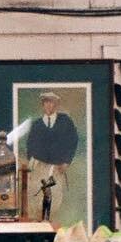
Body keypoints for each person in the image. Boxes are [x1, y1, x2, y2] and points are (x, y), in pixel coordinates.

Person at [23, 90, 78, 225]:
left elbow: (73, 141)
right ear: (43, 105)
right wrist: (31, 164)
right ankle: (37, 225)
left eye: (51, 102)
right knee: (35, 196)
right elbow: (30, 145)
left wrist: (66, 161)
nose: (48, 105)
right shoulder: (36, 124)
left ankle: (49, 224)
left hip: (56, 168)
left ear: (56, 105)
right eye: (46, 102)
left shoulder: (65, 122)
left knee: (54, 196)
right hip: (38, 166)